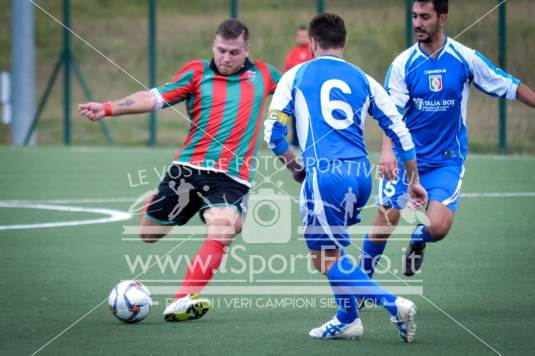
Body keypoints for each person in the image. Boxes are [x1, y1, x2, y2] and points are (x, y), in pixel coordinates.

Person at [78, 19, 281, 322]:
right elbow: (153, 98)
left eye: (234, 52)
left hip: (231, 177)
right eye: (221, 50)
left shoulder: (264, 75)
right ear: (214, 45)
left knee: (222, 229)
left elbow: (299, 90)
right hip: (187, 171)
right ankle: (211, 211)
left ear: (246, 50)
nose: (226, 58)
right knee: (149, 234)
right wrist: (108, 108)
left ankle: (183, 300)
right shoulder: (197, 72)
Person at [264, 13, 427, 342]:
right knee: (331, 252)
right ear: (344, 43)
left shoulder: (295, 75)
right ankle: (347, 317)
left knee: (322, 257)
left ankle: (392, 303)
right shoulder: (364, 79)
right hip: (360, 177)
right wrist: (414, 179)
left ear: (312, 43)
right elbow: (400, 132)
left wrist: (296, 168)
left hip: (325, 176)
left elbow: (273, 133)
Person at [360, 0, 535, 280]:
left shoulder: (465, 58)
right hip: (409, 159)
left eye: (425, 17)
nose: (417, 23)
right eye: (414, 16)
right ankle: (361, 286)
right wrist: (387, 152)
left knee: (438, 228)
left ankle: (419, 237)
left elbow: (509, 85)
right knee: (386, 220)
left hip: (446, 160)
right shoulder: (403, 65)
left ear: (442, 18)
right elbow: (390, 114)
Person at [284, 25, 314, 148]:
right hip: (296, 91)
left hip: (310, 91)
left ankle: (310, 141)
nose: (302, 38)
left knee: (310, 116)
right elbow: (287, 70)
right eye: (300, 36)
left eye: (304, 36)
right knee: (295, 116)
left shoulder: (312, 52)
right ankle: (295, 141)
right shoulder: (293, 53)